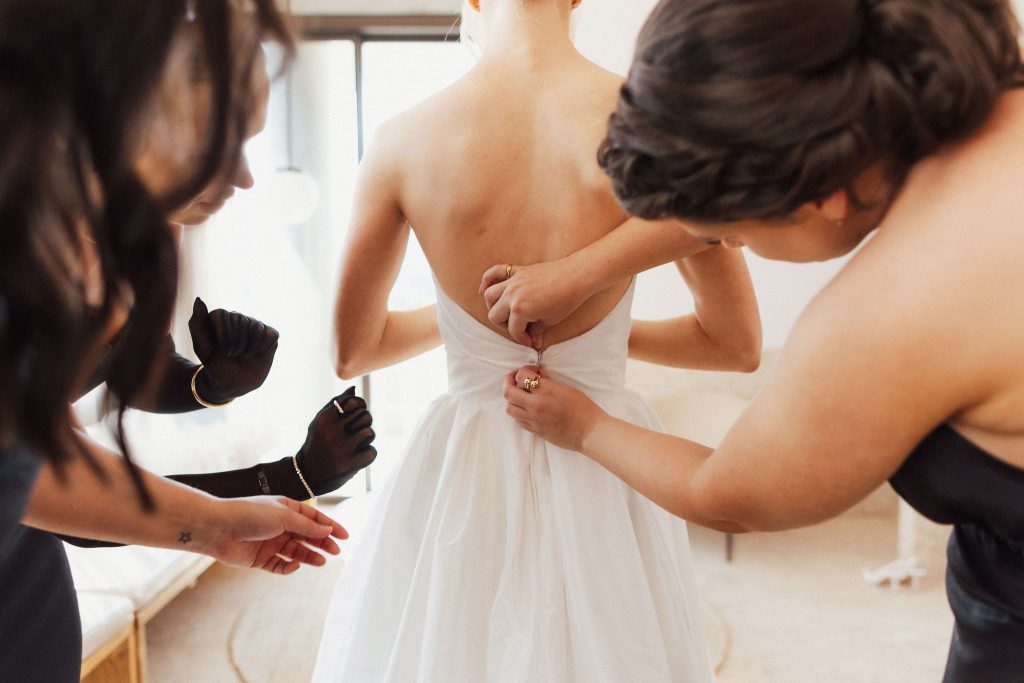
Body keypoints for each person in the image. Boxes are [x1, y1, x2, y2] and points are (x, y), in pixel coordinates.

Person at [497, 0, 1024, 679]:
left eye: (731, 232)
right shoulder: (988, 103)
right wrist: (581, 274)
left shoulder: (894, 311)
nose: (727, 242)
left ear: (823, 195)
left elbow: (727, 493)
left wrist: (585, 426)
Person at [312, 0, 760, 680]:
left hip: (465, 460)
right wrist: (601, 334)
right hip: (607, 459)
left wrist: (468, 319)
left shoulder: (404, 139)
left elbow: (354, 350)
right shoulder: (653, 126)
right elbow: (734, 343)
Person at [0, 2, 348, 679]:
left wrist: (221, 520)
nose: (244, 176)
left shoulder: (101, 247)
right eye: (218, 139)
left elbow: (36, 459)